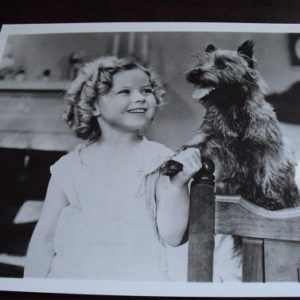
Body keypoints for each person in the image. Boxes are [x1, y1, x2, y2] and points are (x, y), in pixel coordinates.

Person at [24, 56, 201, 281]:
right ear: (95, 105)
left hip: (135, 281)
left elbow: (173, 236)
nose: (140, 98)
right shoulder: (69, 167)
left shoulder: (160, 160)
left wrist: (178, 184)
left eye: (146, 91)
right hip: (73, 279)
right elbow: (45, 238)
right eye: (124, 92)